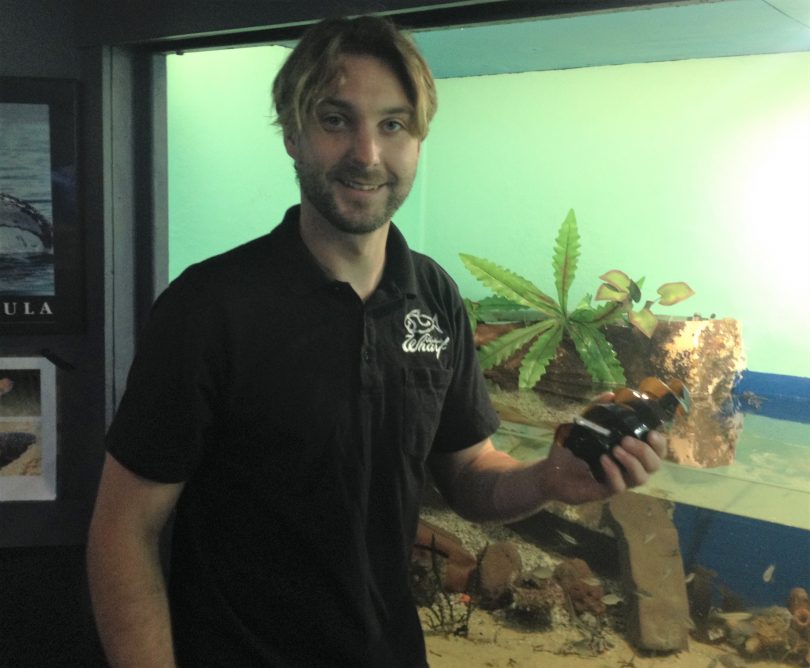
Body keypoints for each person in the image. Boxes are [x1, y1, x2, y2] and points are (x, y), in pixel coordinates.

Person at [87, 15, 667, 668]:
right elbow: (123, 532)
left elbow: (470, 472)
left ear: (418, 140)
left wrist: (548, 478)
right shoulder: (210, 306)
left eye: (392, 124)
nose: (367, 153)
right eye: (337, 120)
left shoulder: (435, 297)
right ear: (293, 133)